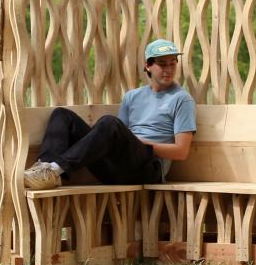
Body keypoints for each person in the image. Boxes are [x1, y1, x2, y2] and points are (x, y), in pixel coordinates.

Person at [22, 38, 197, 190]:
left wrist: (143, 144)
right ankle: (45, 170)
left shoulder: (181, 99)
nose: (168, 69)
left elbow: (181, 151)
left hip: (148, 169)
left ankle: (56, 169)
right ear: (148, 66)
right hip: (115, 169)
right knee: (62, 115)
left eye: (173, 63)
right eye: (162, 64)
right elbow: (115, 139)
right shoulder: (132, 96)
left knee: (109, 123)